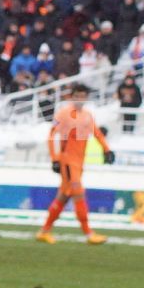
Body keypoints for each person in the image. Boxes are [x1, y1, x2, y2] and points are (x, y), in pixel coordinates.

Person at [38, 82, 113, 244]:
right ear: (72, 97)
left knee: (63, 197)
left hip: (79, 163)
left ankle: (44, 231)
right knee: (78, 193)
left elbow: (97, 133)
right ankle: (88, 234)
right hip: (67, 162)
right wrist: (55, 158)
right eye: (77, 96)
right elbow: (52, 135)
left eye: (83, 96)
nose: (80, 99)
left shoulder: (87, 115)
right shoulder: (63, 114)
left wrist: (107, 150)